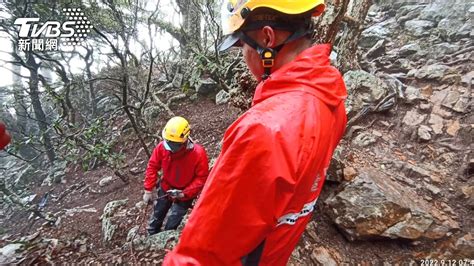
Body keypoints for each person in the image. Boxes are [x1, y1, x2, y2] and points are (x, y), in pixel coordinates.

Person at [164, 0, 347, 265]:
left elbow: (201, 255)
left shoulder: (262, 130)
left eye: (243, 45)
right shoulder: (332, 98)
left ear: (267, 38)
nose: (243, 55)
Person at [143, 116, 209, 235]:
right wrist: (148, 189)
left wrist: (185, 193)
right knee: (157, 215)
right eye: (168, 142)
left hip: (184, 193)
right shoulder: (162, 148)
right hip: (166, 188)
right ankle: (151, 236)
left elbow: (201, 178)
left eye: (174, 144)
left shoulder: (198, 154)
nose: (170, 146)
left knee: (173, 222)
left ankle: (166, 240)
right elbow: (153, 166)